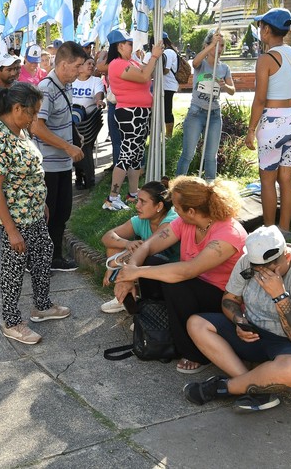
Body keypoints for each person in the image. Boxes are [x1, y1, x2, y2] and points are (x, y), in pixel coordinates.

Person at [184, 226, 291, 412]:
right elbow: (229, 299)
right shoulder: (248, 262)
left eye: (269, 270)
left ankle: (222, 387)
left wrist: (280, 297)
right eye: (257, 269)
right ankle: (255, 389)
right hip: (259, 333)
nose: (261, 275)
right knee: (197, 324)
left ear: (287, 257)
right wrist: (239, 321)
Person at [114, 176, 247, 373]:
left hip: (224, 299)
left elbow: (188, 270)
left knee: (174, 282)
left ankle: (195, 353)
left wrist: (136, 272)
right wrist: (130, 274)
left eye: (176, 206)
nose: (173, 209)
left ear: (191, 211)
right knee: (152, 262)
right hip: (192, 286)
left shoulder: (228, 233)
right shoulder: (186, 222)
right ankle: (157, 327)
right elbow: (149, 245)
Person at [0, 82, 71, 344]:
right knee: (14, 268)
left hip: (33, 211)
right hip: (16, 217)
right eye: (32, 113)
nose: (35, 119)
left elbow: (28, 171)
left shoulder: (19, 129)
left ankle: (41, 306)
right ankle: (11, 322)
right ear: (17, 108)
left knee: (43, 254)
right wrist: (11, 230)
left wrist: (41, 202)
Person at [245, 9, 291, 241]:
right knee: (287, 179)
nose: (260, 31)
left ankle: (269, 234)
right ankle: (285, 229)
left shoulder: (266, 59)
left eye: (261, 26)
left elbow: (260, 99)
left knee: (268, 181)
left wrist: (251, 130)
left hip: (273, 123)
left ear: (267, 29)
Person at [32, 41, 87, 272]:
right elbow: (36, 127)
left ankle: (54, 257)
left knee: (62, 212)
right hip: (47, 164)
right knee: (45, 215)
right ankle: (36, 261)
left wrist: (74, 139)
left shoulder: (66, 85)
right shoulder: (47, 88)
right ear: (63, 64)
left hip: (63, 163)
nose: (80, 71)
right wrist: (67, 146)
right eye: (77, 66)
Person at [103, 30, 162, 211]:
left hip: (138, 112)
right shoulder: (117, 64)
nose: (132, 46)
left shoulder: (128, 62)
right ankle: (112, 198)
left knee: (135, 156)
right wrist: (153, 56)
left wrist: (150, 59)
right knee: (127, 155)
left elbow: (146, 72)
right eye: (129, 43)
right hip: (130, 112)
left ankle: (133, 193)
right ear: (120, 46)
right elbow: (144, 76)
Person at [99, 180, 179, 314]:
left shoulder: (171, 221)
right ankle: (125, 300)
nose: (137, 206)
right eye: (137, 201)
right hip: (151, 268)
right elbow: (107, 237)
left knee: (150, 259)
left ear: (159, 206)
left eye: (143, 202)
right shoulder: (142, 219)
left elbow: (148, 248)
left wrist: (115, 264)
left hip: (173, 273)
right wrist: (127, 243)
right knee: (114, 246)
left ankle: (151, 311)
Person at [176, 31, 236, 180]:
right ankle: (176, 188)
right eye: (217, 45)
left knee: (211, 157)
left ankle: (210, 188)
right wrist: (211, 46)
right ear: (207, 46)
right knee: (188, 154)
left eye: (221, 46)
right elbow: (194, 62)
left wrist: (225, 86)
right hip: (196, 113)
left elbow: (232, 90)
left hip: (214, 115)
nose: (219, 49)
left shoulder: (224, 68)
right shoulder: (201, 64)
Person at [70, 56, 106, 190]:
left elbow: (99, 94)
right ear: (80, 67)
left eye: (93, 64)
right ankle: (80, 173)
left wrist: (98, 101)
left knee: (85, 146)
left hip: (88, 120)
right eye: (88, 63)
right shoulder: (72, 81)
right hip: (72, 119)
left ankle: (87, 175)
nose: (91, 66)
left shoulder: (96, 81)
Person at [161, 34, 180, 138]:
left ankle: (168, 135)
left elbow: (166, 70)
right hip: (169, 85)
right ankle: (167, 134)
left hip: (168, 85)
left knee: (167, 110)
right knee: (166, 109)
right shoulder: (171, 51)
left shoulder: (168, 52)